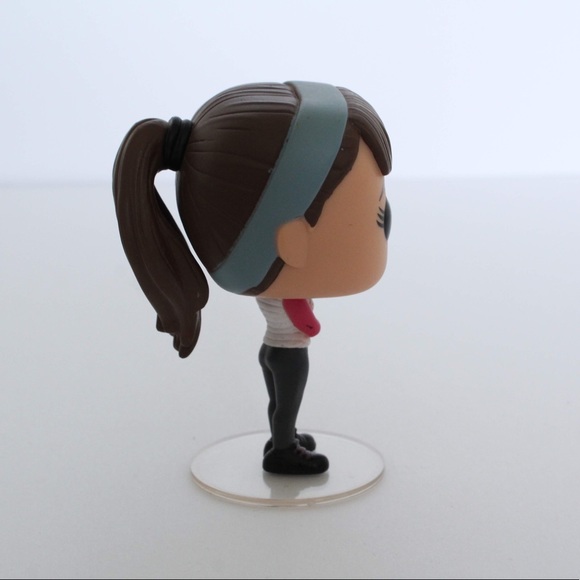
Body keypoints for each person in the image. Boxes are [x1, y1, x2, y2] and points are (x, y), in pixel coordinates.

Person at [113, 81, 392, 475]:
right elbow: (307, 325)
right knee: (287, 401)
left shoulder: (273, 289)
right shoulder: (290, 296)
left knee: (280, 402)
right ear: (293, 243)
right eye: (378, 214)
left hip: (272, 350)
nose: (387, 221)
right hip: (288, 354)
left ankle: (284, 437)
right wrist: (311, 322)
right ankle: (284, 448)